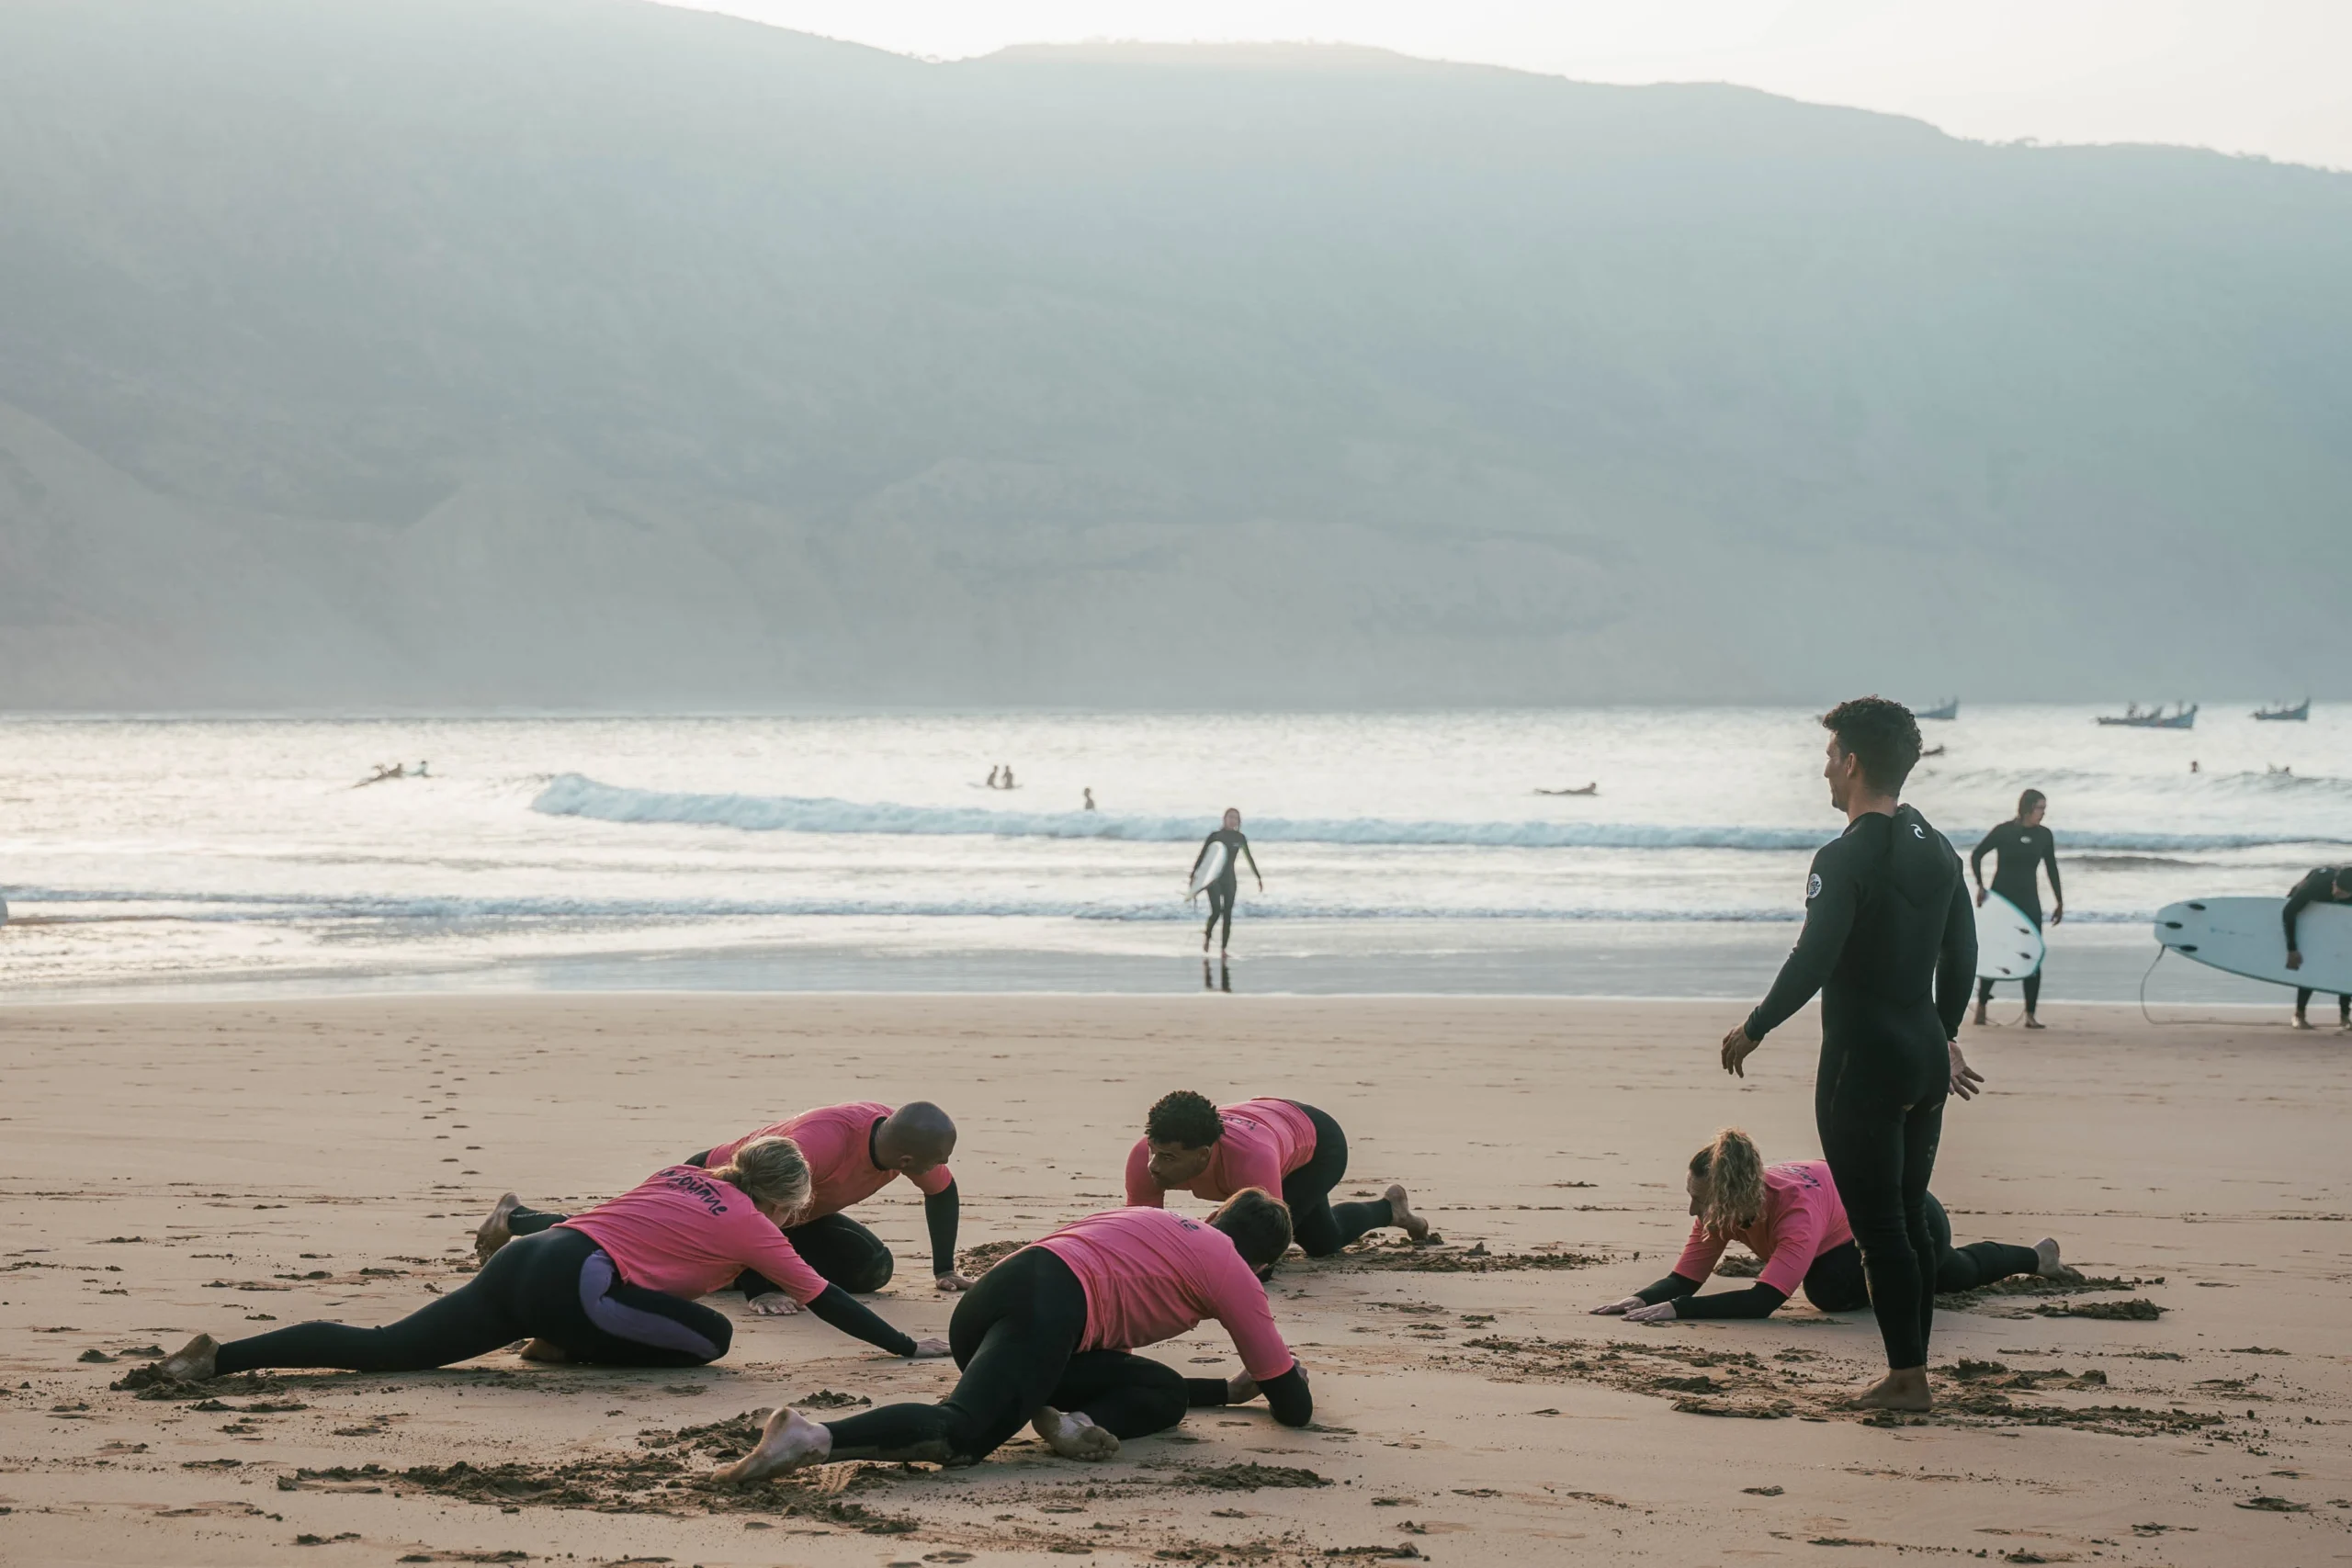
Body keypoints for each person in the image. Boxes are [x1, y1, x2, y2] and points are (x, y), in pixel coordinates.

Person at [151, 1140, 947, 1382]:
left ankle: (218, 1358)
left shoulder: (686, 1175)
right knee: (712, 1342)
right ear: (782, 1201)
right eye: (795, 1208)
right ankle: (565, 1343)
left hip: (530, 1256)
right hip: (581, 1287)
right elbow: (828, 1299)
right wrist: (912, 1345)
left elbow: (649, 1232)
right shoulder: (759, 1231)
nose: (792, 1222)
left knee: (387, 1348)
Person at [1718, 696, 1975, 1413]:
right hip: (1924, 1058)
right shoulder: (1939, 847)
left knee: (1882, 1231)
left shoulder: (1842, 857)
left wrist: (1757, 1025)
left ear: (1854, 761)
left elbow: (1814, 958)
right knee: (1909, 1222)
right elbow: (1964, 953)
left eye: (1831, 756)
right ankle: (1912, 1367)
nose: (1825, 769)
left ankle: (1906, 1380)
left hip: (1862, 1065)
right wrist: (1943, 1033)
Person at [716, 1192, 1307, 1482]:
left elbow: (1097, 1326)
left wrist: (1230, 1393)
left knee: (1163, 1392)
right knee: (965, 1436)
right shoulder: (1236, 1274)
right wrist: (1282, 1380)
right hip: (1047, 1313)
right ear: (1260, 1265)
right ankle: (814, 1435)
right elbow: (1295, 1408)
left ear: (1214, 1219)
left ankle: (1064, 1416)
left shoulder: (1151, 1219)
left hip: (997, 1301)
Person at [480, 1101, 970, 1343]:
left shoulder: (910, 1144)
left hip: (790, 1213)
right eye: (936, 1160)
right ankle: (519, 1218)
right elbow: (754, 1218)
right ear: (907, 1157)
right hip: (724, 1188)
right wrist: (763, 1289)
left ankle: (726, 1273)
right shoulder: (820, 1144)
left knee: (871, 1270)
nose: (940, 1167)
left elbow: (943, 1193)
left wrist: (944, 1269)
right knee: (624, 1241)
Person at [1589, 1128, 2076, 1322]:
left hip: (1907, 1214)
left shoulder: (1794, 1210)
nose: (1693, 1214)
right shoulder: (1721, 1208)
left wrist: (1680, 1312)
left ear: (1731, 1194)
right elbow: (1686, 1279)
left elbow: (1764, 1302)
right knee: (1828, 1282)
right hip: (1847, 1227)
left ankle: (2037, 1258)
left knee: (1948, 1275)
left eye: (1699, 1203)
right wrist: (1642, 1298)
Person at [1124, 1090, 1429, 1261]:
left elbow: (1263, 1242)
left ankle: (1388, 1210)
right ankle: (1393, 1209)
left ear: (1203, 1154)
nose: (1154, 1166)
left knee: (1258, 1253)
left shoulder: (1251, 1160)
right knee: (1325, 1241)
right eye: (1153, 1150)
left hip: (1318, 1143)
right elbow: (1144, 1232)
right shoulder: (1144, 1158)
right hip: (1270, 1127)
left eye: (1168, 1157)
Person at [1972, 788, 2064, 1029]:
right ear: (2027, 808)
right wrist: (1981, 886)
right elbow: (1977, 854)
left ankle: (2030, 1015)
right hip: (2002, 902)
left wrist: (2059, 901)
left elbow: (2051, 868)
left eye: (2044, 808)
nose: (2043, 813)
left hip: (2029, 902)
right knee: (1998, 952)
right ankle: (1981, 1007)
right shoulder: (2004, 831)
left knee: (2033, 952)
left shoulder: (2045, 835)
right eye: (2040, 808)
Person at [2284, 865, 2352, 1030]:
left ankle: (2345, 1016)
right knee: (2312, 958)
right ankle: (2299, 1014)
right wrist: (2292, 949)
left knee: (2346, 961)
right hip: (2308, 902)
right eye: (2336, 886)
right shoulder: (2318, 885)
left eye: (2342, 891)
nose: (2336, 891)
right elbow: (2288, 912)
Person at [1189, 808, 1262, 957]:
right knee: (1216, 911)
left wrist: (1258, 877)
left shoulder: (1240, 838)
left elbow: (1249, 858)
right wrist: (1194, 878)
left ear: (1238, 821)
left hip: (1230, 880)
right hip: (1214, 880)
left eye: (1235, 818)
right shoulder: (1214, 837)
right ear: (1224, 819)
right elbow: (1202, 857)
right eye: (1230, 817)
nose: (1232, 820)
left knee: (1227, 914)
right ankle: (1207, 936)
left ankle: (1223, 949)